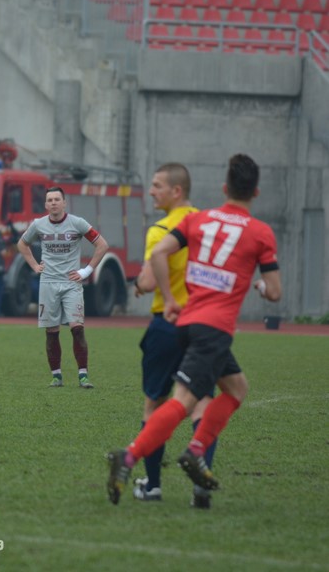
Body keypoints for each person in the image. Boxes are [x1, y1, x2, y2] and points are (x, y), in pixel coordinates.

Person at [106, 154, 281, 506]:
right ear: (256, 192)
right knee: (186, 401)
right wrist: (258, 286)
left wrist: (170, 299)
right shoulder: (260, 233)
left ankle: (192, 453)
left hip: (184, 321)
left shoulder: (199, 220)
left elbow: (159, 253)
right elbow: (275, 292)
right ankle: (131, 456)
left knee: (236, 388)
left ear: (224, 188)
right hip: (213, 329)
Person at [132, 163, 216, 508]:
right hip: (203, 324)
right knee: (202, 404)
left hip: (167, 325)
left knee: (155, 402)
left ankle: (152, 485)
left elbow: (149, 282)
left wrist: (138, 282)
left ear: (175, 191)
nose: (151, 191)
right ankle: (201, 484)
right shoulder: (207, 224)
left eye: (157, 186)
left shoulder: (161, 230)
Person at [17, 187, 109, 388]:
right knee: (52, 331)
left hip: (71, 283)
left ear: (64, 203)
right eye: (49, 200)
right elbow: (22, 245)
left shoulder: (77, 223)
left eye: (57, 199)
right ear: (45, 204)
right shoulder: (38, 225)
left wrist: (86, 271)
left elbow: (102, 244)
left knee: (77, 329)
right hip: (48, 283)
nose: (53, 203)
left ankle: (83, 375)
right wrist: (34, 265)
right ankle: (56, 375)